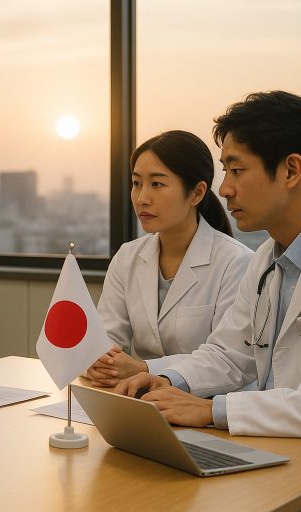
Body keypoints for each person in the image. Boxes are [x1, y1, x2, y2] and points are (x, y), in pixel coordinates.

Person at [114, 90, 301, 438]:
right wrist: (165, 380)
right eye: (225, 171)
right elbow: (229, 354)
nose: (224, 190)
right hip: (278, 446)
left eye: (236, 170)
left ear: (291, 170)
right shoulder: (268, 259)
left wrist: (211, 410)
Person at [87, 131, 252, 388]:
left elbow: (228, 360)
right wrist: (99, 361)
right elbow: (106, 336)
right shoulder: (128, 257)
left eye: (157, 184)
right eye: (136, 183)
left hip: (209, 404)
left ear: (197, 193)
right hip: (141, 399)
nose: (142, 198)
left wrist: (144, 369)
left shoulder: (237, 262)